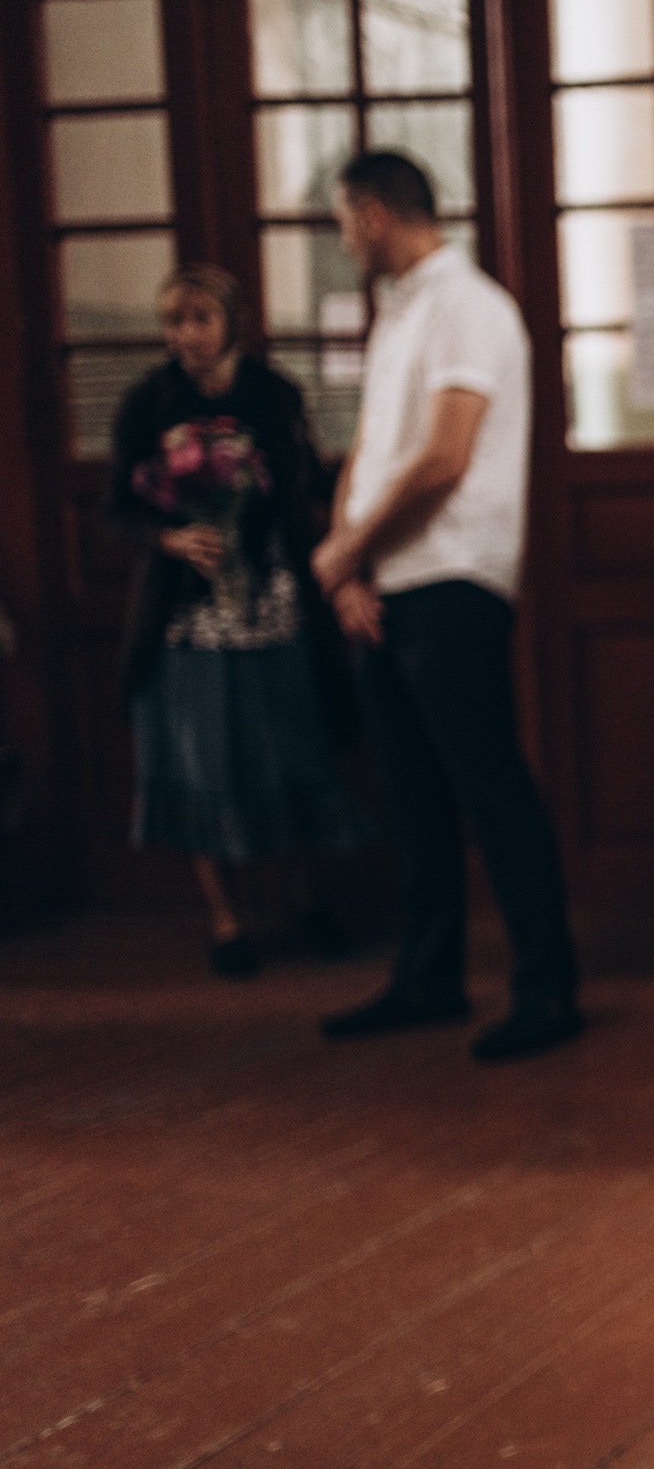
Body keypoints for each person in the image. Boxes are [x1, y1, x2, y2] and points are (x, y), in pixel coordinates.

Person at [311, 150, 582, 1062]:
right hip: (389, 581)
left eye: (344, 217)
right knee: (411, 796)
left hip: (454, 578)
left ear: (378, 213)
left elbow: (445, 458)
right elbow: (372, 451)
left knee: (489, 786)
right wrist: (349, 570)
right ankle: (428, 978)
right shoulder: (398, 315)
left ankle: (548, 992)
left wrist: (350, 546)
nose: (342, 235)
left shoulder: (471, 305)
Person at [103, 263, 372, 976]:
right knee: (201, 761)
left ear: (233, 324)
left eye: (199, 319)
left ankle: (305, 899)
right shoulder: (148, 402)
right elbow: (116, 509)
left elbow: (308, 477)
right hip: (185, 619)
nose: (185, 335)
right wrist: (170, 538)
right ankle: (226, 921)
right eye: (173, 322)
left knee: (287, 748)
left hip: (273, 602)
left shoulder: (274, 393)